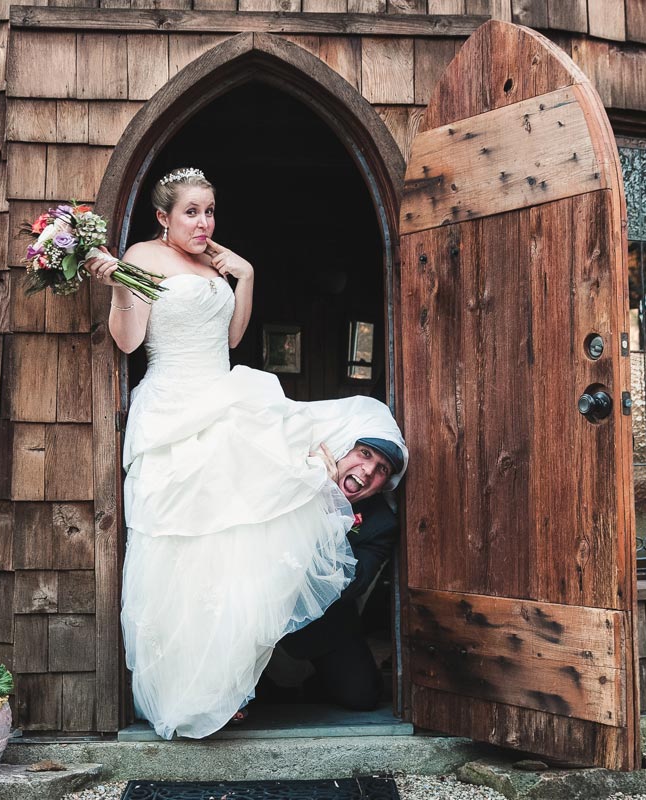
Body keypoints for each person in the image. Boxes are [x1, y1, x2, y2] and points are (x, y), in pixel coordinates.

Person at [88, 167, 399, 740]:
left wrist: (247, 276)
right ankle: (190, 690)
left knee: (235, 545)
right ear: (163, 217)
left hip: (225, 398)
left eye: (209, 211)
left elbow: (232, 338)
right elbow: (129, 341)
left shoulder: (215, 262)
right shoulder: (142, 257)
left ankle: (229, 681)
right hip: (175, 410)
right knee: (185, 549)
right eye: (191, 212)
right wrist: (119, 284)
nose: (204, 223)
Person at [276, 434, 406, 711]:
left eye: (382, 469)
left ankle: (314, 683)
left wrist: (330, 506)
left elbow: (352, 585)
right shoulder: (290, 478)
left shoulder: (381, 523)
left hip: (323, 623)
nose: (369, 470)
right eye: (365, 454)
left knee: (362, 696)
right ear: (343, 450)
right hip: (255, 609)